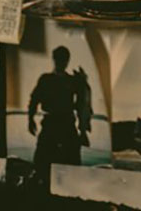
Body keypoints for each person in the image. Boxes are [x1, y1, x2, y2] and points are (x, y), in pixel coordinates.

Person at [26, 45, 91, 186]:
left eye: (64, 59)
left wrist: (84, 81)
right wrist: (30, 119)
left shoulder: (74, 81)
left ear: (68, 61)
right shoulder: (45, 79)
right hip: (50, 123)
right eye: (60, 59)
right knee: (42, 162)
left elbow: (83, 104)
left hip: (67, 124)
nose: (62, 62)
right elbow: (34, 100)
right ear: (54, 59)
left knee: (72, 161)